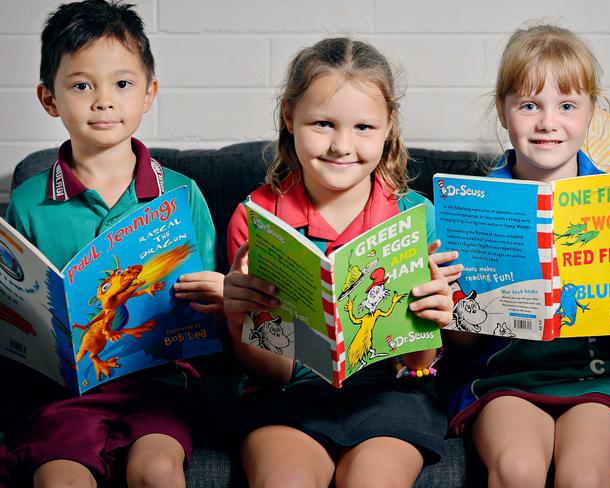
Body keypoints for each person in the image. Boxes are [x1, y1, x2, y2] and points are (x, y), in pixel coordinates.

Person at [0, 1, 223, 487]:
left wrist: (215, 299)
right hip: (63, 393)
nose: (103, 101)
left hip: (158, 385)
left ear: (149, 93)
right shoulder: (28, 203)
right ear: (48, 98)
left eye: (122, 84)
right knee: (59, 479)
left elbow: (212, 308)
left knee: (158, 472)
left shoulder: (180, 195)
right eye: (82, 85)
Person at [223, 37, 460, 488]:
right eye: (323, 124)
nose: (341, 146)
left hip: (392, 393)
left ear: (389, 125)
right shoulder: (256, 219)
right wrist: (240, 315)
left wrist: (431, 319)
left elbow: (416, 366)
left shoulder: (416, 217)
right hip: (287, 395)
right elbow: (273, 369)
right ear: (290, 117)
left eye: (364, 128)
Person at [443, 24, 610, 488]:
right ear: (503, 110)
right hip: (506, 379)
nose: (547, 123)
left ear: (592, 112)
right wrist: (453, 305)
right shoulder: (471, 204)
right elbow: (464, 348)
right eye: (529, 105)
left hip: (598, 377)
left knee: (585, 475)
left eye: (568, 105)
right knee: (517, 470)